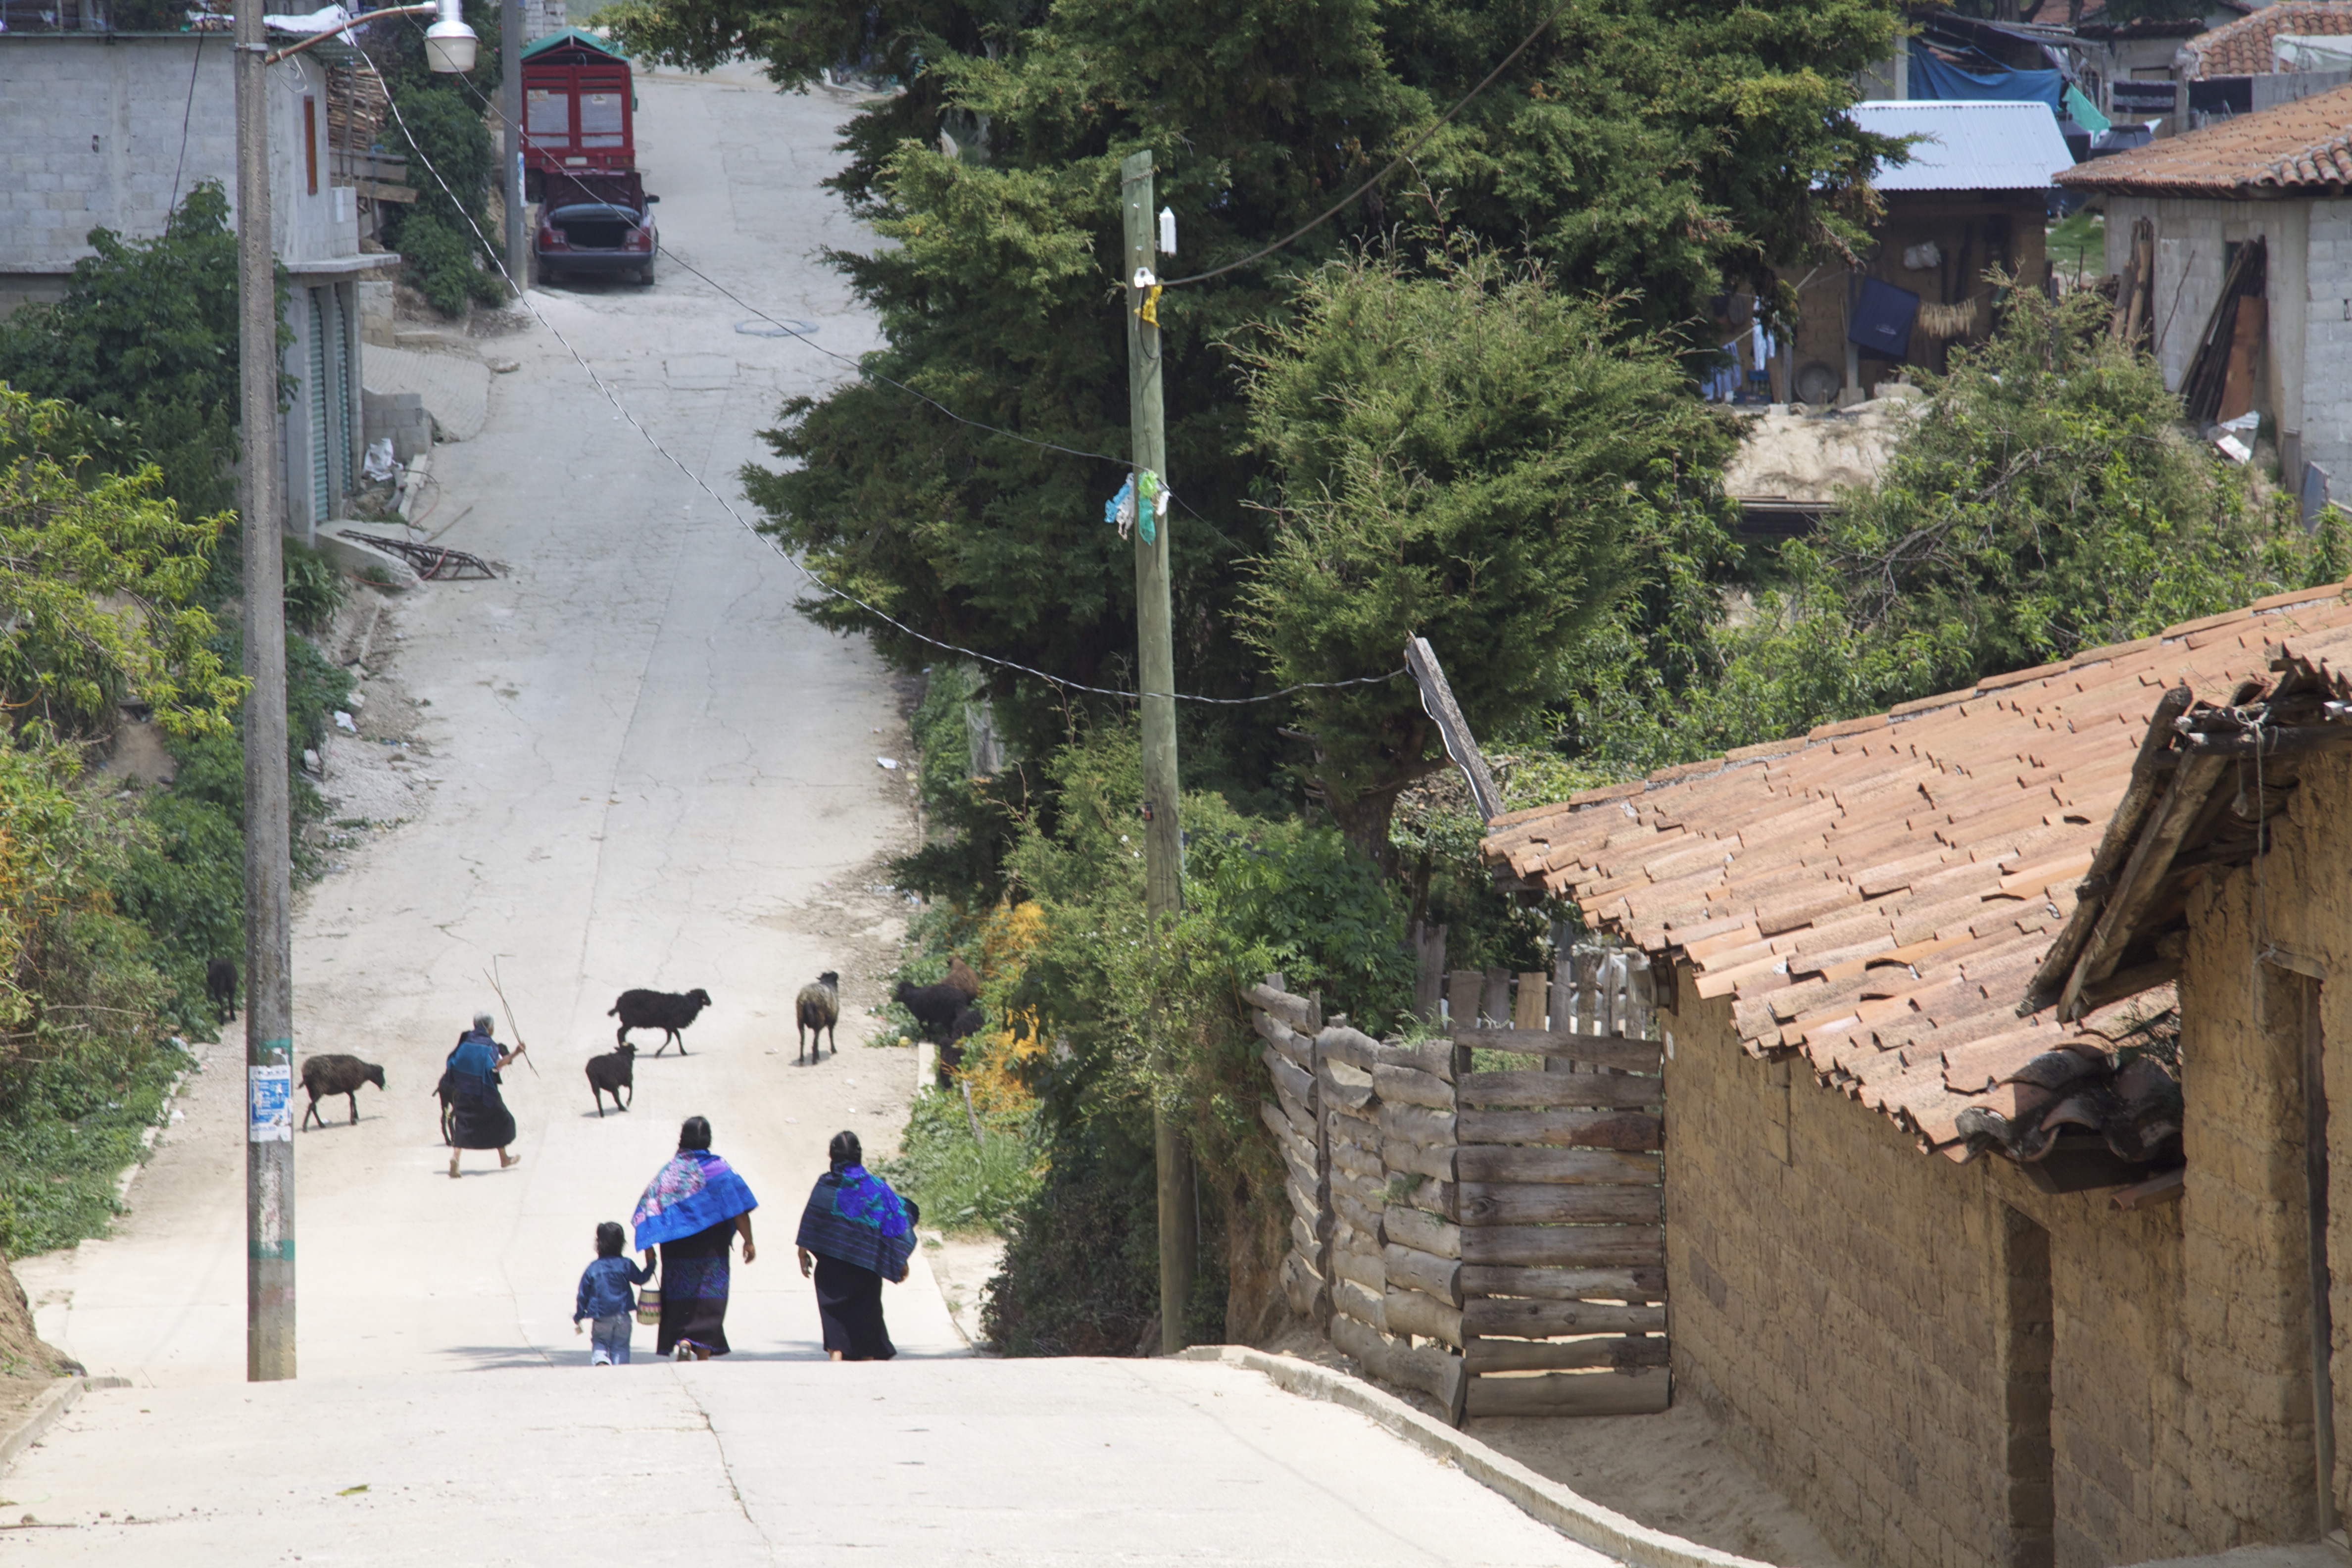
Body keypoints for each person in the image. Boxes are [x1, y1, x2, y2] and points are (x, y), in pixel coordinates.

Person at [632, 1116, 757, 1361]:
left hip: (677, 1250)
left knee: (681, 1297)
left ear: (682, 1139)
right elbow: (739, 1208)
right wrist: (748, 1241)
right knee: (709, 1300)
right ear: (708, 1139)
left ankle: (684, 1340)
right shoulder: (720, 1170)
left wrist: (649, 1248)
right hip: (712, 1250)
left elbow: (649, 1207)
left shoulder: (670, 1172)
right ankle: (702, 1356)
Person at [794, 1130, 917, 1362]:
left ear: (832, 1155)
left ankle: (837, 1353)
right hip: (866, 1261)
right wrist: (901, 1260)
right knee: (866, 1307)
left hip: (832, 1261)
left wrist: (802, 1253)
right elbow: (894, 1222)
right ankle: (867, 1356)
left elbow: (813, 1218)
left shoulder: (826, 1184)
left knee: (833, 1306)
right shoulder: (877, 1187)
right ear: (859, 1155)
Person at [444, 1011, 524, 1178]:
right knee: (501, 1119)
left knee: (463, 1124)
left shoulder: (465, 1042)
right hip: (484, 1092)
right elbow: (497, 1064)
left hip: (464, 1091)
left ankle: (456, 1158)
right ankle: (504, 1158)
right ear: (489, 1028)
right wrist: (516, 1053)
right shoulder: (489, 1046)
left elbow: (453, 1061)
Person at [574, 1221, 655, 1366]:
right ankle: (620, 1371)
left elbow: (583, 1294)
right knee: (621, 1346)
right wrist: (651, 1264)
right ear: (622, 1243)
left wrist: (579, 1314)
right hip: (623, 1316)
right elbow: (641, 1279)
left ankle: (601, 1361)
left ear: (599, 1244)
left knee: (600, 1341)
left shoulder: (593, 1268)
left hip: (601, 1316)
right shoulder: (626, 1264)